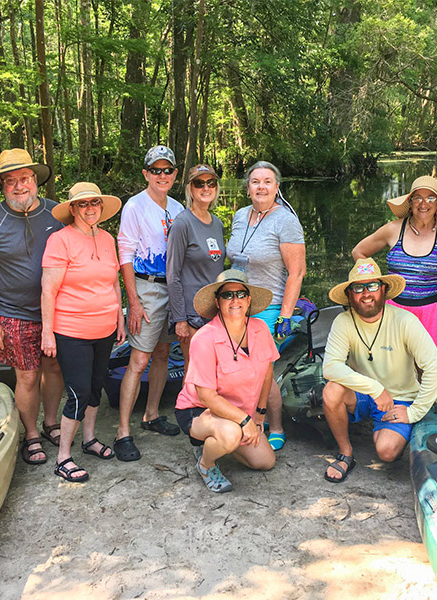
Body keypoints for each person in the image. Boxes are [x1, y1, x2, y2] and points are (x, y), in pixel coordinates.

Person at [0, 148, 64, 466]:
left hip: (57, 311)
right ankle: (32, 433)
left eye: (24, 178)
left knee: (53, 369)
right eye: (10, 180)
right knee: (26, 376)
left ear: (35, 180)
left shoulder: (58, 215)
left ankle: (52, 422)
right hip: (14, 312)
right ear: (2, 186)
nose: (19, 186)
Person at [321, 258, 437, 482]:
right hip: (362, 393)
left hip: (400, 398)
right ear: (350, 295)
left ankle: (400, 426)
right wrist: (375, 388)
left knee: (387, 452)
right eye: (358, 288)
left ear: (384, 290)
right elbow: (330, 367)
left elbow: (436, 368)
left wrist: (414, 412)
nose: (366, 293)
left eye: (372, 286)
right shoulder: (343, 321)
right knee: (331, 390)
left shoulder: (405, 320)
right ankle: (346, 453)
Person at [40, 182, 125, 482]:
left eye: (95, 203)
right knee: (78, 392)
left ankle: (89, 439)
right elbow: (48, 290)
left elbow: (113, 282)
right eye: (83, 204)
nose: (90, 209)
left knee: (96, 385)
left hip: (104, 328)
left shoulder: (107, 238)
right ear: (73, 209)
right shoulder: (60, 241)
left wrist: (120, 320)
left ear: (101, 207)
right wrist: (47, 334)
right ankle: (63, 456)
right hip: (71, 330)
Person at [225, 161, 306, 451]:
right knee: (236, 363)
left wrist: (285, 315)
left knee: (261, 366)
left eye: (268, 182)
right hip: (237, 304)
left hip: (270, 304)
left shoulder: (284, 220)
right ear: (248, 188)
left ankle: (275, 424)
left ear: (276, 188)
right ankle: (243, 416)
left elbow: (297, 272)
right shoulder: (239, 216)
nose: (261, 187)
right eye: (256, 181)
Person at [174, 270, 279, 493]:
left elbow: (268, 372)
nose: (235, 300)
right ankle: (206, 463)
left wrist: (259, 414)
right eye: (227, 295)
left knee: (265, 461)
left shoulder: (260, 329)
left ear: (249, 300)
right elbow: (206, 395)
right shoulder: (204, 338)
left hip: (239, 413)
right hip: (199, 410)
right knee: (231, 434)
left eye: (241, 294)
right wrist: (244, 421)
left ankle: (218, 442)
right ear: (217, 301)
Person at [114, 145, 185, 461]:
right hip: (146, 288)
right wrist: (134, 301)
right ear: (146, 173)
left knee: (162, 353)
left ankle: (152, 414)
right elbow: (125, 254)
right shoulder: (135, 206)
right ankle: (122, 433)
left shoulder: (178, 208)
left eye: (167, 170)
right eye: (155, 170)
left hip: (173, 290)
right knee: (139, 360)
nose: (162, 175)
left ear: (174, 174)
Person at [352, 175, 437, 351]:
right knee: (394, 365)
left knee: (426, 368)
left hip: (432, 311)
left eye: (430, 198)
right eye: (417, 198)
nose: (423, 204)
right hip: (394, 309)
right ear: (410, 202)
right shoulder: (393, 229)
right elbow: (359, 252)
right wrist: (374, 286)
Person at [166, 164, 226, 374]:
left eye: (211, 183)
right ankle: (186, 408)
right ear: (190, 189)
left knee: (215, 371)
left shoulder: (217, 224)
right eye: (199, 183)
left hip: (216, 311)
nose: (206, 188)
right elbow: (172, 276)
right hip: (192, 314)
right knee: (195, 371)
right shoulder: (182, 224)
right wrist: (180, 320)